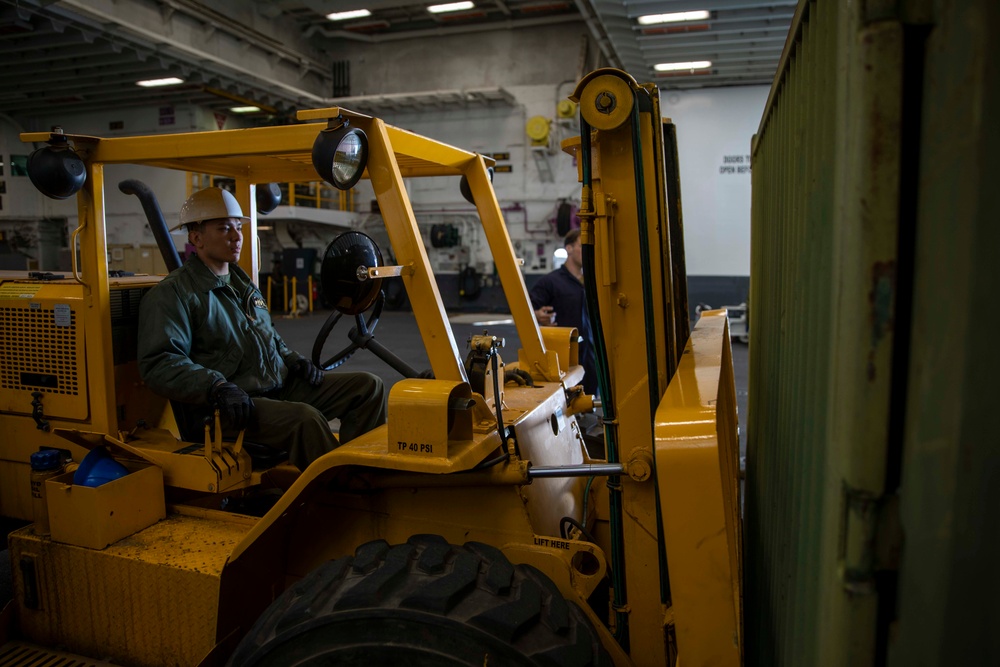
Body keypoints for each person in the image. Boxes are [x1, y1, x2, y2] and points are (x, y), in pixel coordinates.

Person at [138, 188, 386, 470]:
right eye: (223, 229)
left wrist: (295, 361)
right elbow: (160, 363)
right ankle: (342, 494)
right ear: (196, 238)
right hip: (228, 406)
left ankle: (364, 470)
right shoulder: (174, 294)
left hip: (275, 387)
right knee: (305, 420)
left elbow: (269, 338)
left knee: (368, 387)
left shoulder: (243, 285)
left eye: (238, 227)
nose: (236, 236)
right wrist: (216, 386)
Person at [529, 228, 598, 395]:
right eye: (582, 246)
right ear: (569, 248)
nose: (587, 252)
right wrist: (537, 315)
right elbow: (528, 309)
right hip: (564, 359)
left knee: (589, 400)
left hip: (590, 356)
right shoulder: (550, 282)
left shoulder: (593, 282)